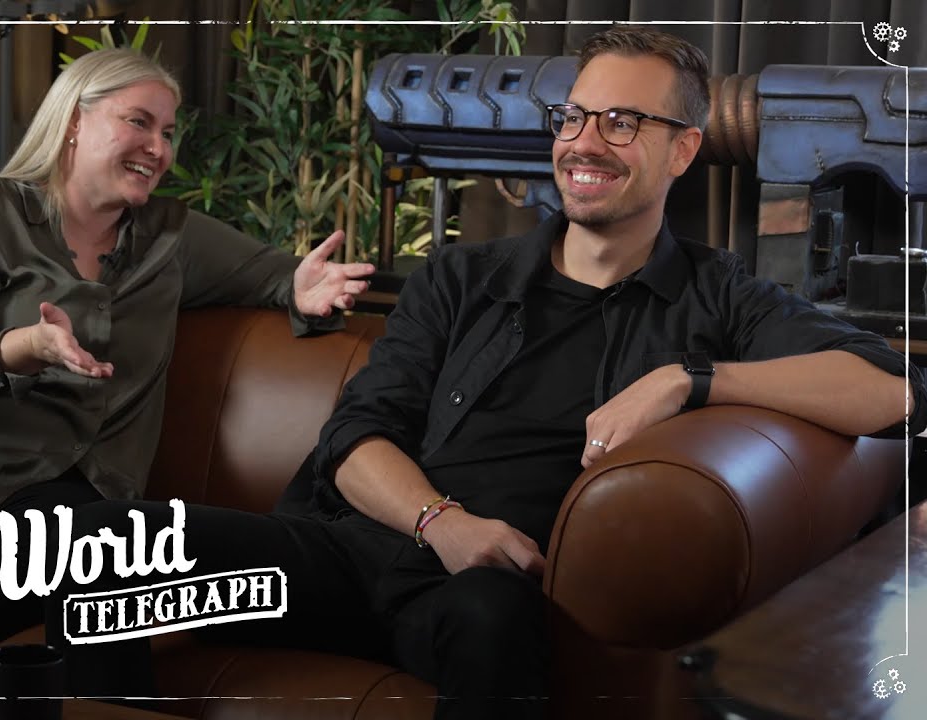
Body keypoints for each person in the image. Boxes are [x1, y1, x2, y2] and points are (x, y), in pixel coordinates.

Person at [54, 27, 926, 719]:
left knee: (490, 616)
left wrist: (691, 381)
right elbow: (355, 438)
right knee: (104, 543)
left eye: (623, 122)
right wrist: (443, 523)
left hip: (484, 592)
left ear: (683, 149)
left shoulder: (714, 294)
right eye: (575, 118)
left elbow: (894, 390)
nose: (586, 142)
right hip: (353, 552)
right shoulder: (462, 277)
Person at [0, 48, 374, 676]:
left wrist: (303, 289)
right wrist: (21, 349)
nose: (159, 148)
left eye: (168, 132)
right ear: (74, 119)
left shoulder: (174, 238)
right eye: (139, 122)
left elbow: (277, 276)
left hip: (64, 490)